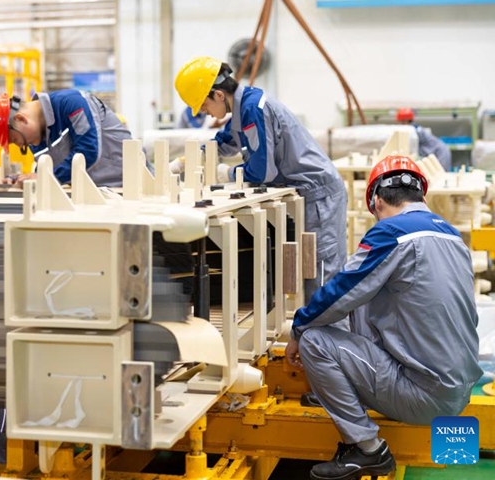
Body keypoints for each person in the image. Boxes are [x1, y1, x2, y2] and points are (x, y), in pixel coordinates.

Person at [285, 155, 482, 480]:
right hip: (458, 388)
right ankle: (342, 387)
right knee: (371, 293)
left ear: (376, 200)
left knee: (315, 340)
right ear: (421, 195)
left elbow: (340, 292)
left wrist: (298, 327)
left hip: (423, 394)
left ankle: (367, 450)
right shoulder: (451, 235)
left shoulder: (392, 232)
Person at [175, 56, 347, 301]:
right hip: (309, 194)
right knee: (312, 276)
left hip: (319, 196)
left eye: (204, 105)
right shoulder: (243, 107)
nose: (204, 112)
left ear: (219, 95)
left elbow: (262, 172)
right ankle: (316, 337)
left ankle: (331, 339)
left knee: (321, 278)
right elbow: (224, 142)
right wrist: (185, 162)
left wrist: (228, 173)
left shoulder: (252, 108)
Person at [0, 90, 132, 188]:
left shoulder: (72, 103)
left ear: (21, 119)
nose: (21, 144)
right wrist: (22, 179)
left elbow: (88, 152)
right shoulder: (37, 135)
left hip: (128, 189)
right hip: (95, 194)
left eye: (15, 140)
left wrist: (45, 177)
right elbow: (48, 169)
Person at [396, 107, 452, 172]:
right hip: (436, 152)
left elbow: (411, 147)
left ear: (405, 120)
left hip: (440, 152)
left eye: (401, 122)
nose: (400, 124)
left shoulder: (415, 131)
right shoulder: (414, 129)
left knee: (441, 175)